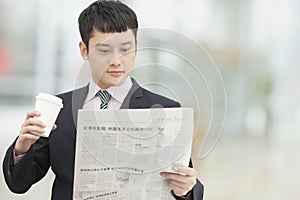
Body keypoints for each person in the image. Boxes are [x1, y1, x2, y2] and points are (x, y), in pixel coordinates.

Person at [2, 1, 204, 199]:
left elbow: (187, 184)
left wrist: (185, 190)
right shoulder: (60, 109)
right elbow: (19, 184)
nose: (116, 61)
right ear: (84, 50)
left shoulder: (165, 110)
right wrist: (22, 147)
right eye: (104, 50)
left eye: (125, 49)